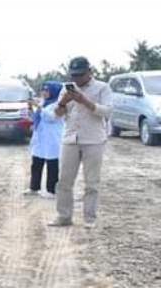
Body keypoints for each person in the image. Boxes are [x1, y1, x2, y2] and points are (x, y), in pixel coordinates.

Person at [48, 57, 113, 229]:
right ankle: (64, 216)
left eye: (80, 75)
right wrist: (64, 101)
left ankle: (89, 218)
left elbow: (108, 112)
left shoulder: (102, 88)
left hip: (93, 139)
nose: (77, 78)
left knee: (91, 182)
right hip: (71, 138)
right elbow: (57, 114)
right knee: (64, 181)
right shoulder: (67, 88)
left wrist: (84, 100)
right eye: (74, 75)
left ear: (90, 72)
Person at [24, 81, 64, 198]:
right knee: (36, 163)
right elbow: (36, 118)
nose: (44, 93)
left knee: (52, 165)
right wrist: (32, 109)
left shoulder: (59, 104)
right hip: (41, 138)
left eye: (47, 90)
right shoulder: (43, 102)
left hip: (52, 139)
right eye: (43, 90)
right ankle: (34, 187)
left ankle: (51, 190)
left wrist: (40, 107)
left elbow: (52, 118)